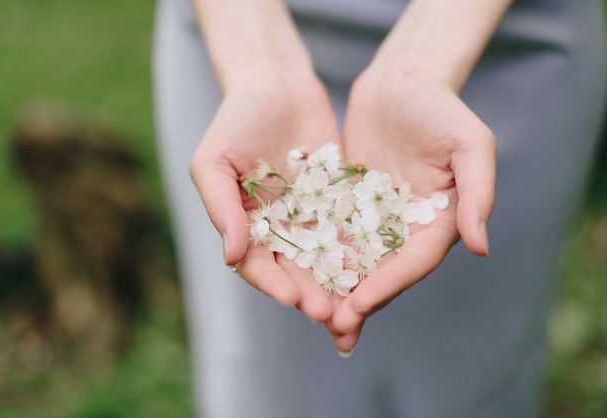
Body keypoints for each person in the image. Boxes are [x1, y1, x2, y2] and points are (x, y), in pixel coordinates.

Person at [153, 0, 606, 417]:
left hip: (506, 39)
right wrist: (259, 63)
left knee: (472, 370)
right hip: (237, 37)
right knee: (268, 378)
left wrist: (421, 63)